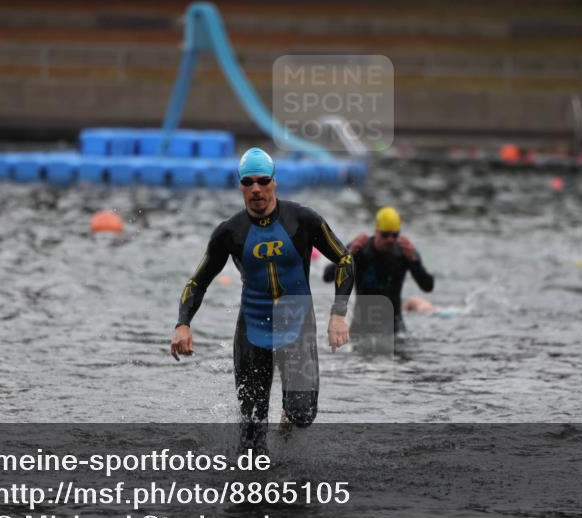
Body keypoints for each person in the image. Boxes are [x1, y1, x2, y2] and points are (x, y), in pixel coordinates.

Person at [171, 148, 354, 451]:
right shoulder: (230, 232)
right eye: (248, 182)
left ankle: (288, 414)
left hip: (297, 326)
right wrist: (183, 324)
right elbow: (197, 280)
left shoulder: (303, 220)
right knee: (252, 435)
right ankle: (254, 493)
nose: (256, 188)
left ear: (274, 182)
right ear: (240, 186)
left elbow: (345, 259)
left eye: (262, 180)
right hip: (253, 329)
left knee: (302, 414)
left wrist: (338, 314)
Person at [322, 206, 434, 342]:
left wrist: (414, 262)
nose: (390, 239)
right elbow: (327, 276)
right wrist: (348, 255)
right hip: (361, 329)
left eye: (395, 235)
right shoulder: (360, 248)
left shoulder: (405, 252)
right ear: (376, 232)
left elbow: (428, 286)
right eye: (385, 234)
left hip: (394, 331)